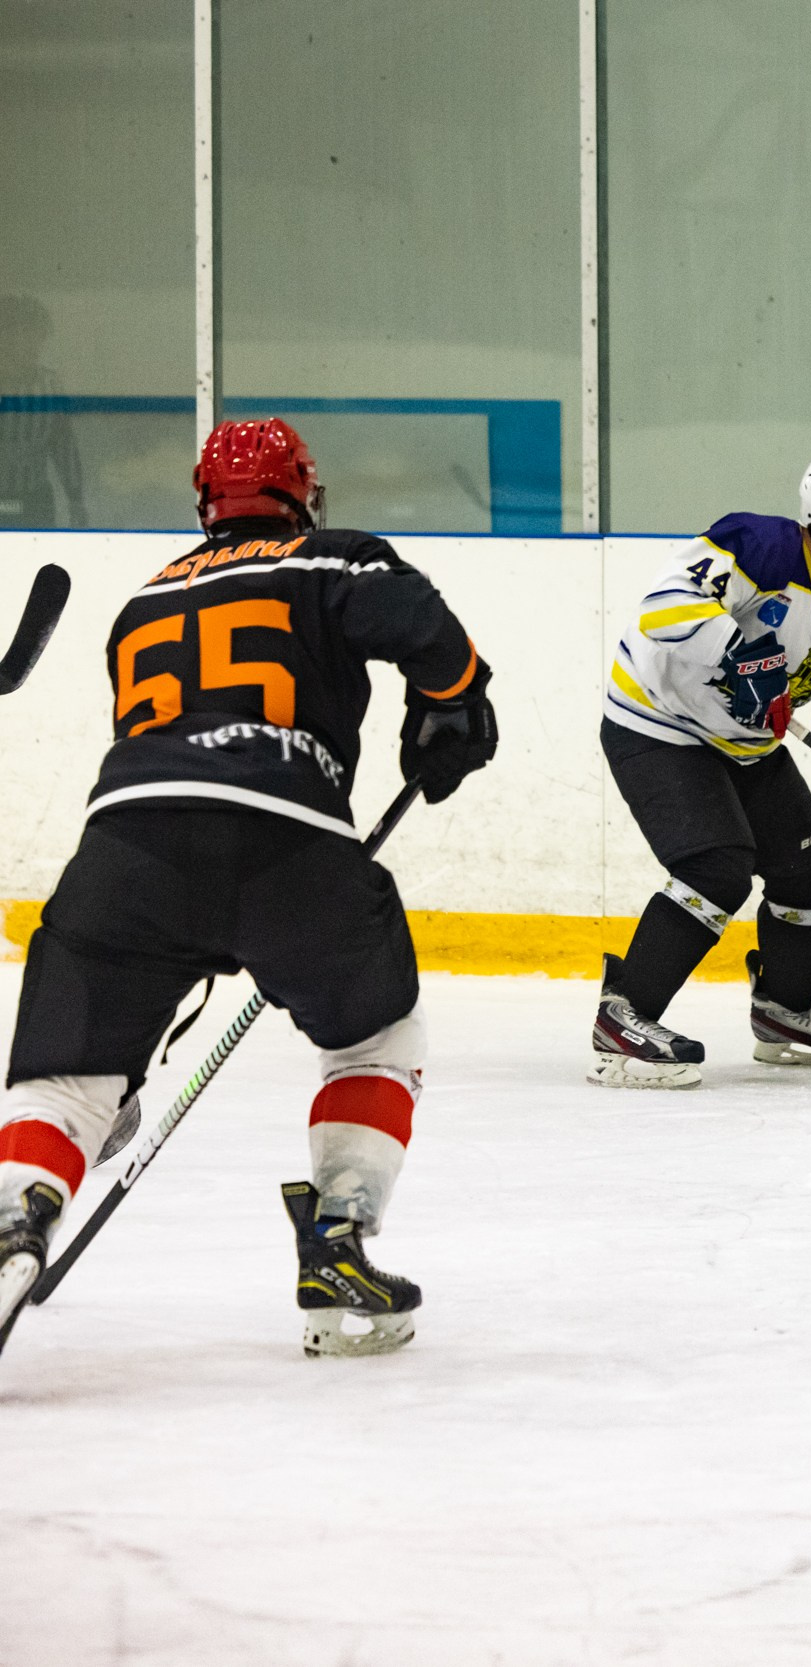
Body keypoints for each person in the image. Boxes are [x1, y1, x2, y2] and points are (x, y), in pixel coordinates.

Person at [0, 418, 498, 1356]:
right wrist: (455, 702)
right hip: (292, 844)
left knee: (68, 1081)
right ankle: (337, 1239)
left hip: (126, 846)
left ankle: (17, 1209)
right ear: (304, 494)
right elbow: (424, 627)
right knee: (375, 1039)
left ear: (206, 504)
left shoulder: (143, 604)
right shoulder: (331, 559)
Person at [593, 451, 811, 1088]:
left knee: (808, 873)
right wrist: (735, 655)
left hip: (747, 747)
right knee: (715, 870)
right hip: (659, 726)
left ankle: (783, 1013)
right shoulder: (757, 548)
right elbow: (663, 606)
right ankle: (624, 1015)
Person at [0, 295, 86, 529]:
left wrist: (76, 499)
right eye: (25, 335)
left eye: (38, 336)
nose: (34, 345)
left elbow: (63, 445)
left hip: (33, 500)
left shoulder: (49, 385)